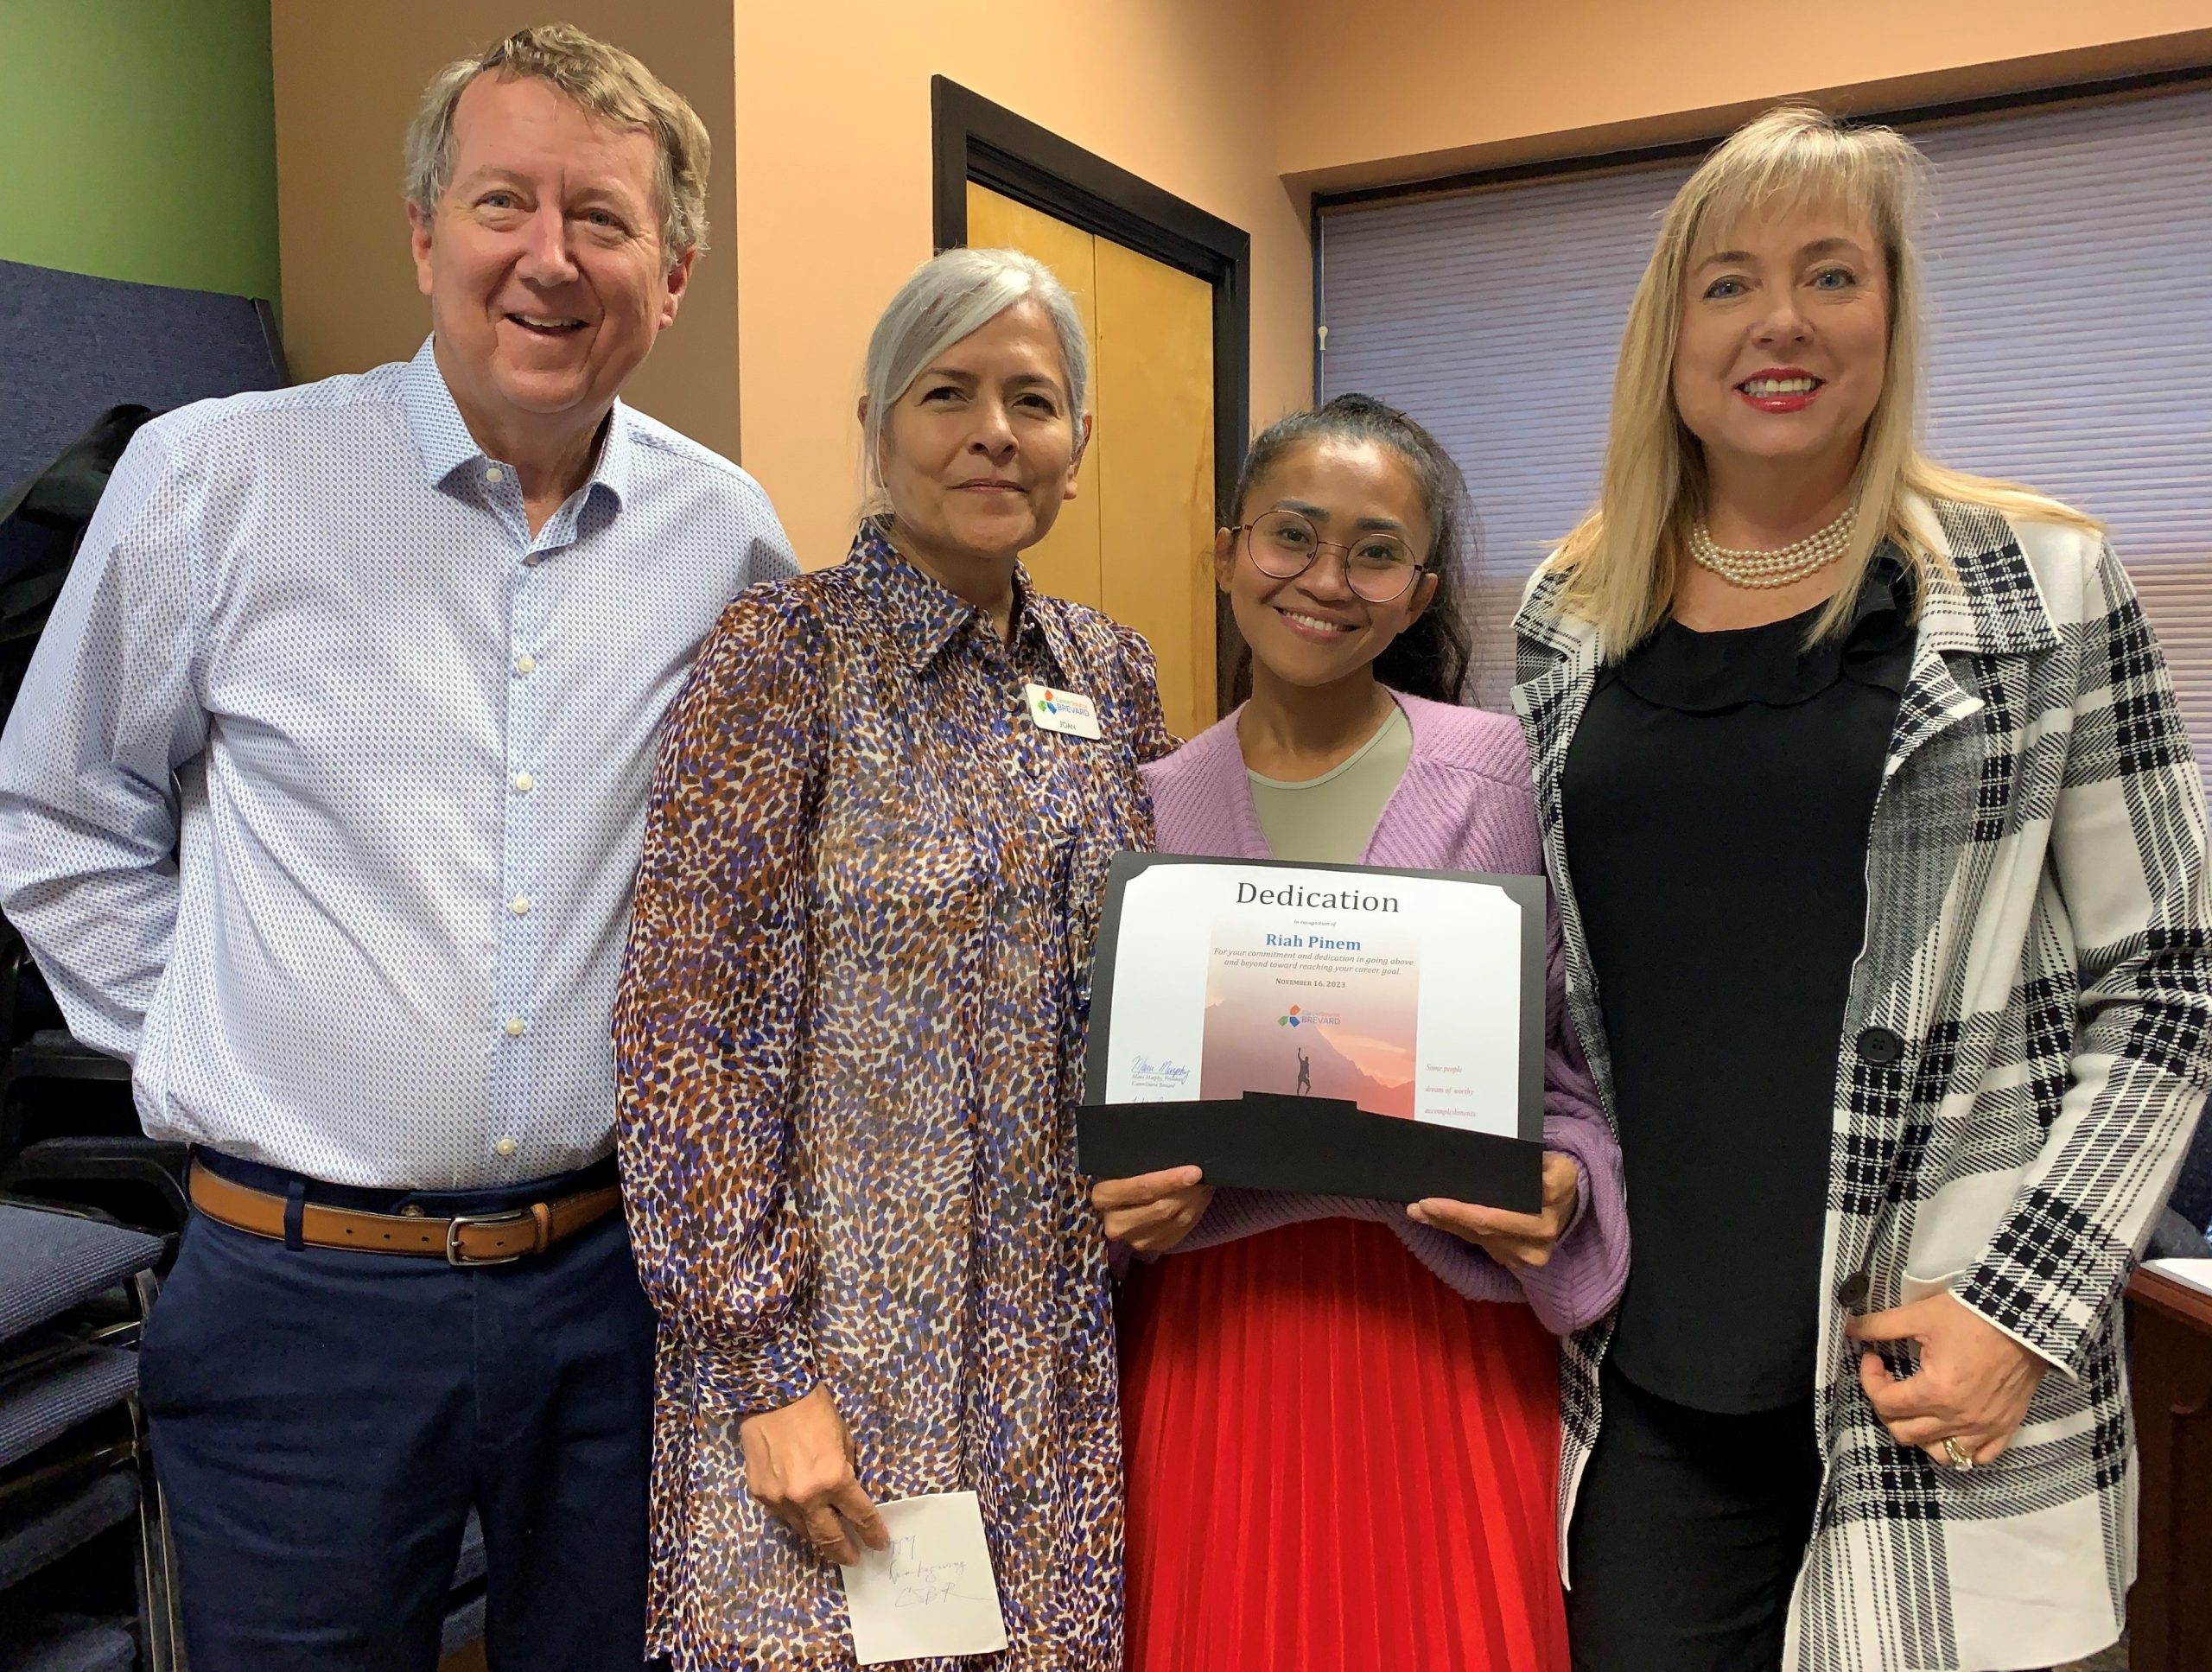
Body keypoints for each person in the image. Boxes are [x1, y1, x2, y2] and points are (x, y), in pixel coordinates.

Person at [0, 24, 796, 1670]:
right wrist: (215, 1040)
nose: (551, 259)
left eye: (606, 219)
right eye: (505, 201)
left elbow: (761, 883)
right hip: (300, 1305)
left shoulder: (729, 540)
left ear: (678, 270)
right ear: (425, 233)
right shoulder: (218, 479)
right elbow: (57, 813)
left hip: (614, 1299)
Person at [1513, 105, 2212, 1672]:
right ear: (1668, 334)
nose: (1782, 322)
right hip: (1650, 1395)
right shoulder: (1573, 608)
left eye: (1832, 275)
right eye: (1730, 282)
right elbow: (1570, 983)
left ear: (1890, 318)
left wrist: (2025, 1307)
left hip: (1938, 1381)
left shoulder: (2045, 586)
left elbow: (2174, 978)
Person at [612, 247, 1172, 1672]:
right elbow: (684, 1033)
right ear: (877, 425)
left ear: (1077, 441)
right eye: (949, 393)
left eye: (1032, 400)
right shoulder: (780, 656)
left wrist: (1183, 1143)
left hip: (1051, 1348)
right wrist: (765, 1372)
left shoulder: (1108, 675)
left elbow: (1160, 978)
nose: (994, 430)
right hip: (837, 1355)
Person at [1091, 394, 1628, 1672]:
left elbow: (1573, 1069)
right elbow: (1102, 1083)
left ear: (1419, 589)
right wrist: (1116, 1198)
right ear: (1227, 552)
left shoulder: (1499, 771)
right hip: (1221, 1336)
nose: (1326, 581)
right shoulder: (1147, 800)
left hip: (1439, 1334)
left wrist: (1562, 1176)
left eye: (1375, 551)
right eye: (1292, 536)